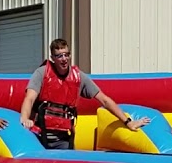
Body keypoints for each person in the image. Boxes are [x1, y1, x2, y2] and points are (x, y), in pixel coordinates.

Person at [18, 38, 150, 149]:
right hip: (39, 136)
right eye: (59, 56)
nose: (64, 59)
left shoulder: (79, 77)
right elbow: (29, 98)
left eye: (66, 54)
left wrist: (128, 122)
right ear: (52, 58)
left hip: (63, 139)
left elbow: (104, 100)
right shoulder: (42, 73)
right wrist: (25, 118)